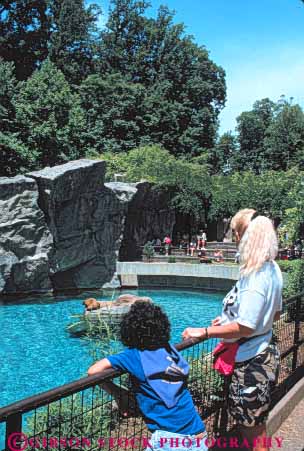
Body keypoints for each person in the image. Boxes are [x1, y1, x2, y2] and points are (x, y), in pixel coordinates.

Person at [182, 209, 282, 451]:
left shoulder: (255, 277)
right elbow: (275, 313)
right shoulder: (272, 269)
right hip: (262, 352)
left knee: (253, 430)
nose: (236, 239)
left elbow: (246, 326)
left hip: (251, 363)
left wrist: (204, 331)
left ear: (248, 237)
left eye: (237, 233)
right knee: (255, 424)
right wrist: (227, 320)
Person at [88, 301, 208, 451]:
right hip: (198, 434)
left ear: (129, 331)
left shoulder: (133, 356)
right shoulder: (170, 349)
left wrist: (118, 393)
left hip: (170, 441)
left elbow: (93, 371)